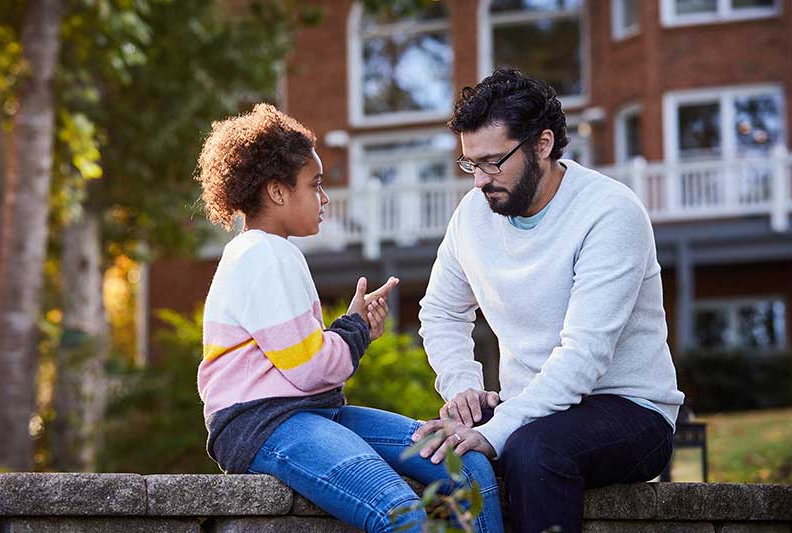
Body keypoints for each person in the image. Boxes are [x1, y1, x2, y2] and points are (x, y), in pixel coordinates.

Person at [194, 103, 504, 533]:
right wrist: (355, 330)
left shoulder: (274, 253)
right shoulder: (261, 255)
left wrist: (353, 328)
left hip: (313, 412)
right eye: (314, 185)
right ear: (277, 191)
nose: (323, 199)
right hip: (267, 424)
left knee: (465, 464)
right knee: (400, 514)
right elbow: (311, 369)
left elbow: (307, 367)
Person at [412, 68, 685, 533]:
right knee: (432, 447)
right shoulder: (473, 214)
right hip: (531, 406)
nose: (479, 181)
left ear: (542, 144)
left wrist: (493, 431)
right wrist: (461, 389)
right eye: (470, 164)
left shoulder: (608, 212)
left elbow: (584, 356)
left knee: (534, 451)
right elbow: (440, 310)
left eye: (493, 162)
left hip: (628, 408)